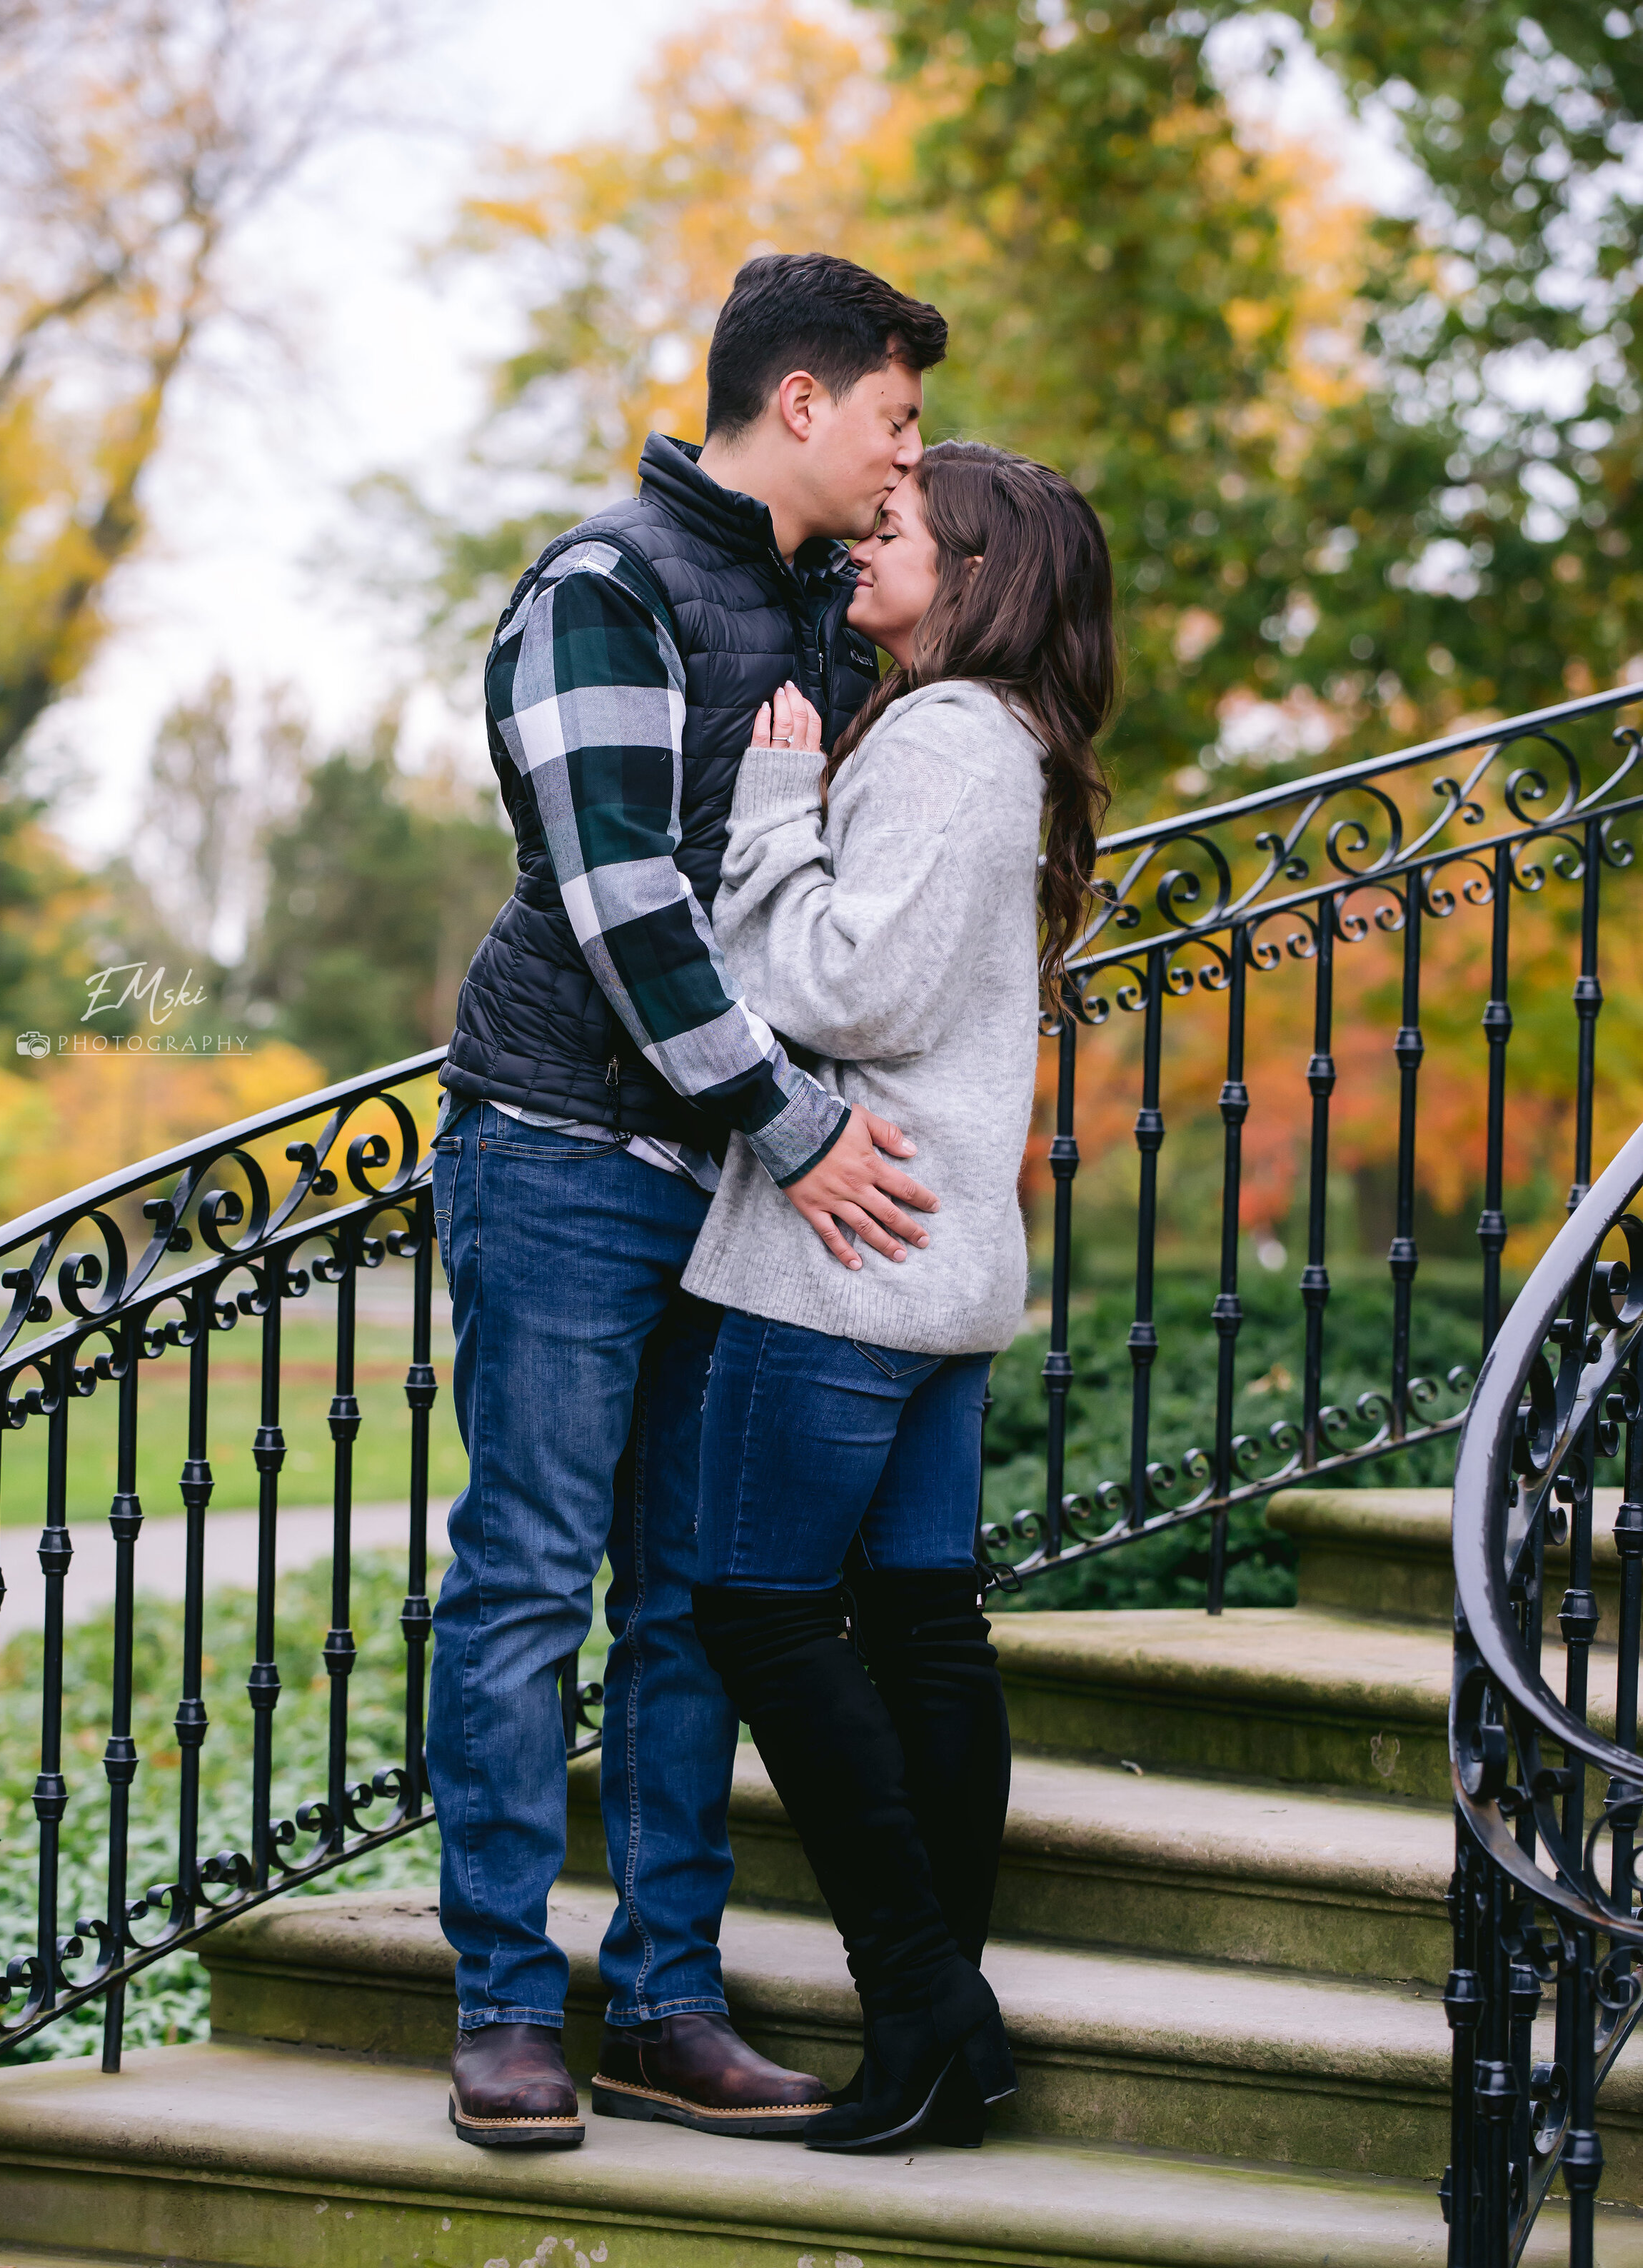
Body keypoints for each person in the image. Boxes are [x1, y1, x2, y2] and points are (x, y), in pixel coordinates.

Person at [427, 253, 951, 2150]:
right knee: (524, 1584)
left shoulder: (812, 602)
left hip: (720, 1178)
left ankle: (660, 2004)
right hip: (564, 1149)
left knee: (680, 1608)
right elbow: (625, 907)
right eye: (892, 416)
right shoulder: (608, 585)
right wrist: (804, 1131)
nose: (911, 453)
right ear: (799, 403)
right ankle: (501, 2006)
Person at [683, 440, 1117, 2152]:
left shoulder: (945, 739)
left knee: (758, 1615)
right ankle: (943, 2025)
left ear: (980, 571)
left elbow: (845, 987)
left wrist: (774, 821)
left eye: (897, 531)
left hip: (845, 1260)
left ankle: (925, 1995)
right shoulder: (999, 743)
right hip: (930, 1267)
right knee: (924, 1627)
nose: (870, 543)